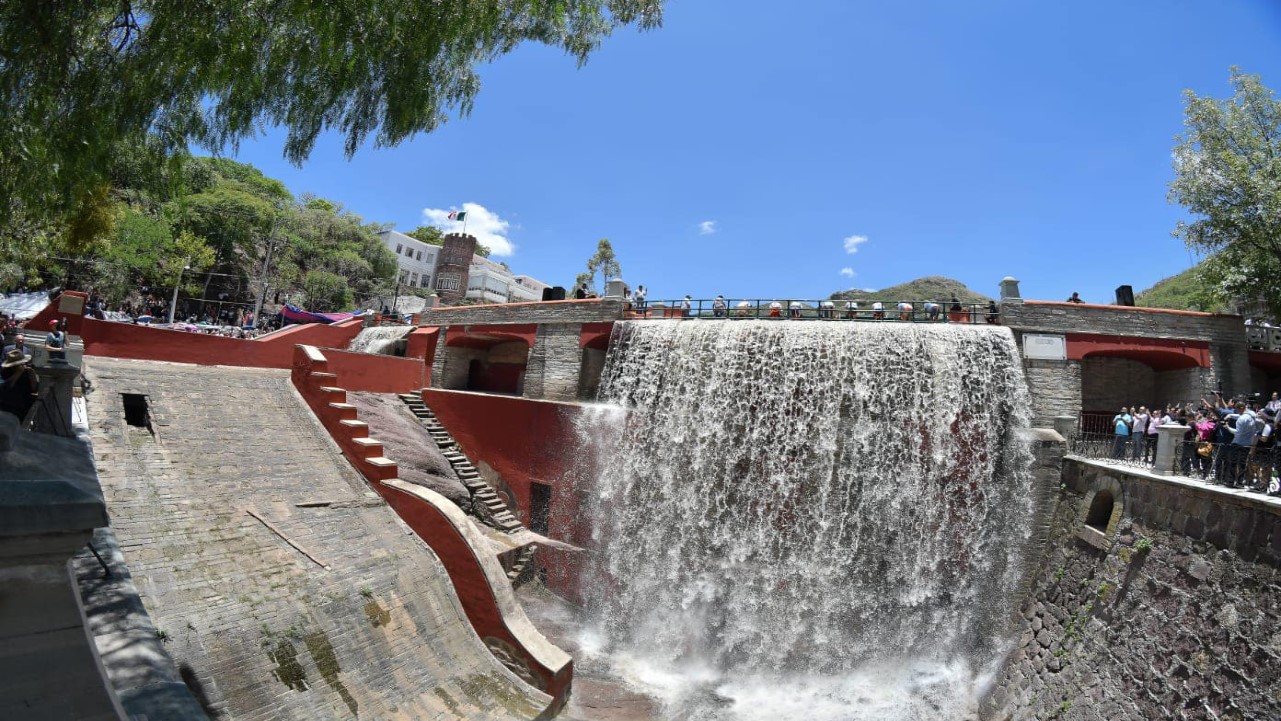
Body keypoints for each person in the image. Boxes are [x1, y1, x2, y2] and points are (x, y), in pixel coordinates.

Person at [0, 349, 39, 422]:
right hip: (7, 406)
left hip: (23, 405)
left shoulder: (27, 372)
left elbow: (34, 388)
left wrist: (32, 373)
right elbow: (6, 387)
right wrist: (19, 372)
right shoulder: (5, 372)